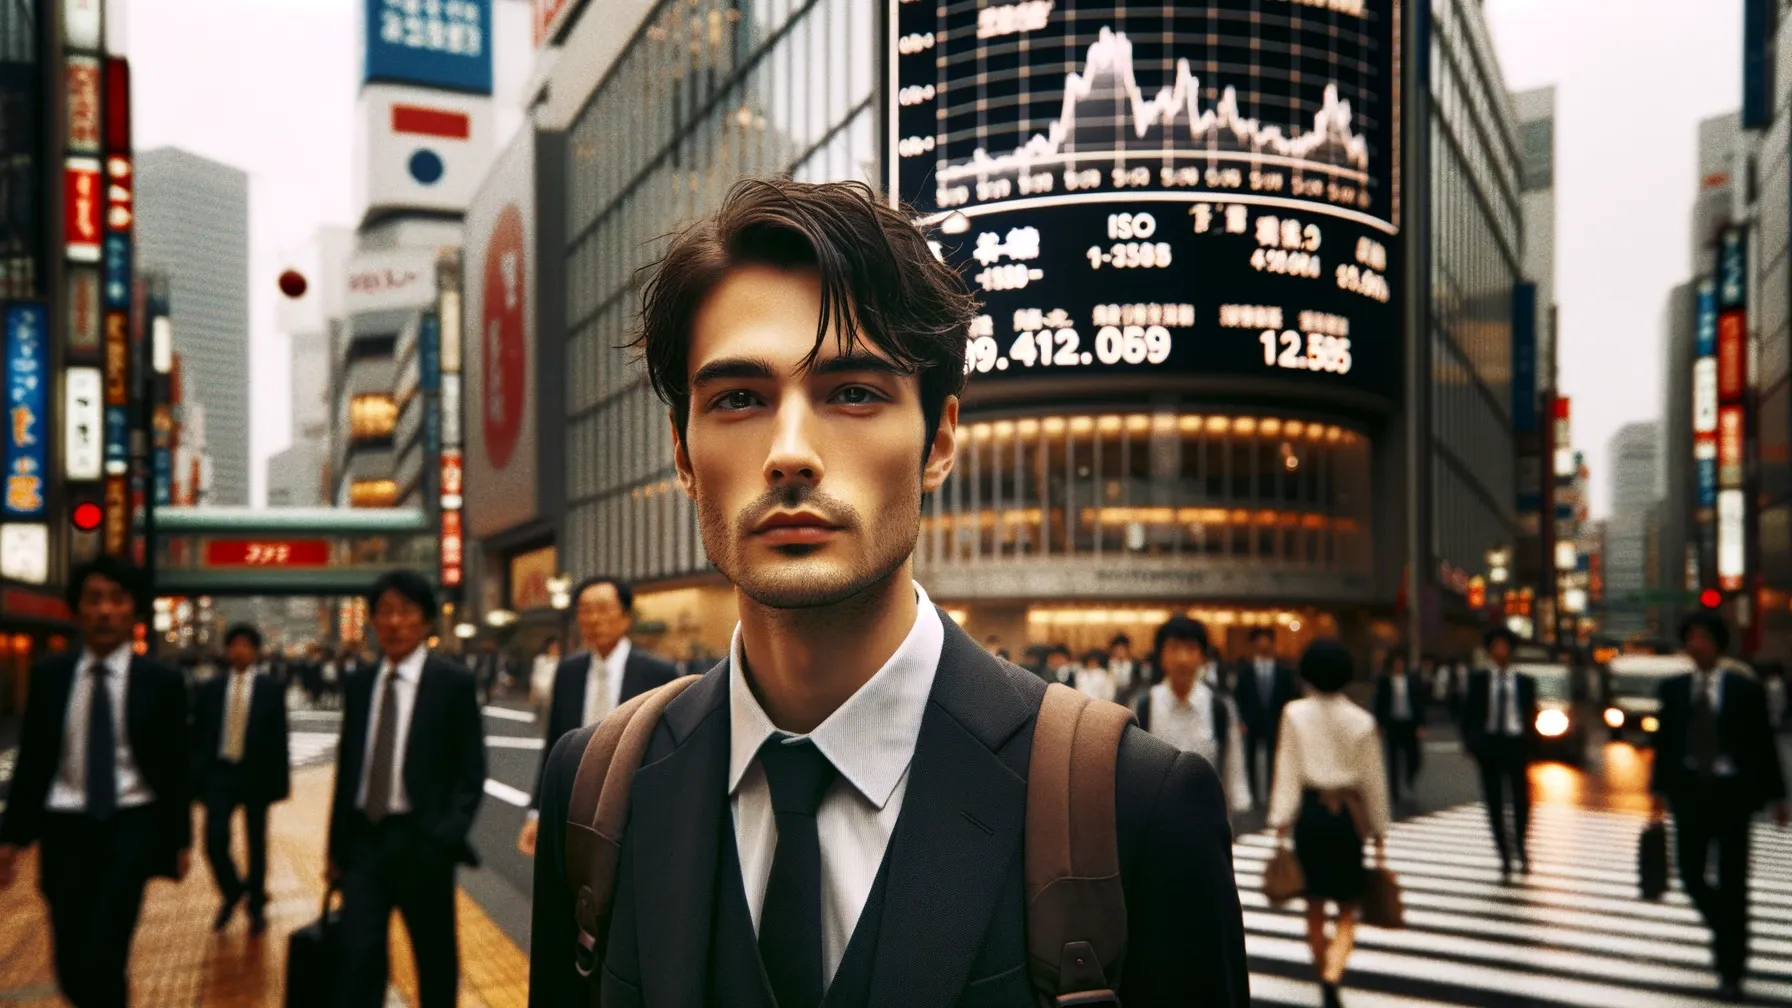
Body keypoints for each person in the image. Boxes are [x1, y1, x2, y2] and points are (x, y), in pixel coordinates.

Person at [528, 178, 1247, 1007]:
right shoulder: (594, 789)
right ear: (684, 456)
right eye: (737, 399)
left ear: (939, 441)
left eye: (854, 393)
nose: (789, 452)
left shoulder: (1133, 805)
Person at [0, 557, 192, 1008]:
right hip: (64, 828)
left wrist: (180, 839)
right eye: (94, 600)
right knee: (70, 961)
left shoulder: (160, 682)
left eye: (117, 600)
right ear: (77, 610)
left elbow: (175, 766)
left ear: (135, 612)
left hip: (130, 825)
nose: (105, 611)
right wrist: (11, 837)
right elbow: (34, 762)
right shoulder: (51, 677)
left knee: (106, 950)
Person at [327, 570, 487, 1008]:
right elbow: (349, 769)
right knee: (356, 958)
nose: (393, 622)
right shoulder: (361, 684)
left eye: (405, 611)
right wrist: (336, 849)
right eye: (384, 612)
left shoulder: (451, 683)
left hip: (423, 842)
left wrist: (445, 836)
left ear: (426, 621)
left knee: (433, 959)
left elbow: (470, 772)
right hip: (364, 844)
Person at [1650, 612, 1788, 1002]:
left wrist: (1779, 798)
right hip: (1690, 793)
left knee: (1733, 884)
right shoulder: (1674, 689)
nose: (1696, 644)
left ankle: (1732, 969)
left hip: (1733, 796)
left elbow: (1764, 745)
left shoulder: (1745, 689)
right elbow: (1665, 745)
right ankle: (1726, 929)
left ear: (1718, 644)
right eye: (1691, 637)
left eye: (1703, 638)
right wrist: (1657, 794)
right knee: (1691, 875)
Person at [517, 576, 678, 856]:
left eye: (603, 608)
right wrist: (536, 812)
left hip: (634, 813)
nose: (592, 618)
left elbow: (669, 754)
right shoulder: (568, 672)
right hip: (576, 808)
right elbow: (556, 743)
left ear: (626, 617)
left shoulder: (658, 674)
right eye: (584, 610)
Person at [1268, 639, 1390, 1008]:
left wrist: (1281, 820)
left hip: (1311, 815)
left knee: (1315, 902)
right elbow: (1373, 779)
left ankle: (1323, 970)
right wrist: (1379, 829)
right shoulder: (1362, 720)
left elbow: (1286, 768)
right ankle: (1337, 966)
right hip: (1348, 818)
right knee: (1349, 902)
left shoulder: (1294, 714)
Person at [192, 622, 291, 934]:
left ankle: (257, 906)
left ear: (256, 651)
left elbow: (279, 740)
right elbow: (199, 735)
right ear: (227, 650)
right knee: (214, 842)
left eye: (246, 645)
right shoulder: (211, 689)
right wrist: (197, 778)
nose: (239, 651)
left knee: (257, 844)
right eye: (234, 645)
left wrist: (280, 784)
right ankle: (233, 890)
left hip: (256, 775)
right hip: (221, 773)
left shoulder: (270, 690)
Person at [1134, 616, 1252, 815]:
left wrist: (1236, 810)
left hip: (1207, 815)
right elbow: (1136, 770)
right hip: (1158, 818)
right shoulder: (1144, 706)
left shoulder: (1219, 706)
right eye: (1174, 648)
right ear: (1160, 656)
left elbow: (1234, 765)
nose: (1182, 658)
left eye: (1190, 649)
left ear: (1203, 657)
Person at [1460, 627, 1538, 879]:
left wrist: (1532, 743)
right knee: (1494, 802)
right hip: (1490, 744)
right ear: (1490, 650)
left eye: (1505, 646)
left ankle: (1521, 847)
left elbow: (1531, 714)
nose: (1500, 651)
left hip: (1515, 744)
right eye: (1496, 646)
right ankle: (1504, 855)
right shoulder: (1479, 680)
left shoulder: (1525, 682)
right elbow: (1468, 713)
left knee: (1521, 801)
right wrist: (1472, 743)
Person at [1234, 626, 1300, 809]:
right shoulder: (1246, 670)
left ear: (1272, 643)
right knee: (1250, 758)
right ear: (1255, 644)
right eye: (1260, 640)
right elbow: (1238, 696)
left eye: (1267, 640)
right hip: (1251, 721)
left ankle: (1274, 793)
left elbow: (1290, 696)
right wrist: (1241, 720)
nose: (1263, 644)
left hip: (1275, 720)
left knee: (1275, 759)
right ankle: (1253, 794)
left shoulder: (1283, 671)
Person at [1372, 651, 1426, 805]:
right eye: (1396, 662)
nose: (1398, 665)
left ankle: (1409, 778)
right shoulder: (1385, 681)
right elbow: (1379, 703)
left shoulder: (1411, 680)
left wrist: (1421, 724)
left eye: (1401, 662)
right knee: (1393, 758)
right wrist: (1379, 723)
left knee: (1414, 757)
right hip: (1393, 723)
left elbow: (1419, 702)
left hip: (1409, 723)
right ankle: (1394, 791)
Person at [529, 636, 562, 719]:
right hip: (539, 689)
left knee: (547, 715)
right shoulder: (540, 659)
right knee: (537, 713)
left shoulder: (560, 662)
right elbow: (535, 674)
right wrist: (533, 690)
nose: (554, 649)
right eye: (552, 647)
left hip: (550, 691)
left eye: (556, 647)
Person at [1108, 633, 1139, 702]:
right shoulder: (1108, 664)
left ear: (1127, 649)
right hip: (1111, 696)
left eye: (1122, 649)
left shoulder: (1135, 665)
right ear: (1113, 650)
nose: (1120, 651)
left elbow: (1136, 684)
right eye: (1117, 649)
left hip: (1130, 696)